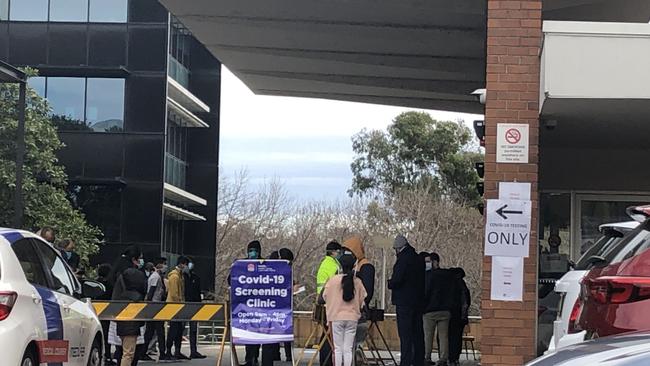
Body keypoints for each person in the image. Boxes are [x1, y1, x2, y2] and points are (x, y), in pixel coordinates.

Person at [320, 254, 367, 366]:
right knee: (348, 349)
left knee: (337, 349)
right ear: (354, 266)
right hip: (352, 318)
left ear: (340, 265)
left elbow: (324, 297)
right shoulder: (358, 282)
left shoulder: (333, 281)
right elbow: (363, 300)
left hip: (335, 318)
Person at [388, 235, 425, 366]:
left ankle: (406, 361)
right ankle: (418, 360)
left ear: (398, 248)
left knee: (405, 335)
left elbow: (397, 279)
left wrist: (390, 283)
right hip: (418, 302)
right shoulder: (418, 259)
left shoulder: (403, 260)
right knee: (417, 333)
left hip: (404, 302)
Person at [110, 246, 147, 366]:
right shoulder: (133, 274)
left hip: (119, 316)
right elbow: (143, 290)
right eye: (140, 258)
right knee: (129, 353)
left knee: (121, 351)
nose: (142, 261)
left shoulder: (119, 274)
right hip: (131, 317)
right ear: (134, 259)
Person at [345, 236, 375, 365]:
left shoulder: (366, 266)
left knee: (356, 341)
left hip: (359, 309)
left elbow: (368, 291)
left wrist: (362, 303)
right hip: (350, 308)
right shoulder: (354, 266)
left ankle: (357, 356)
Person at [423, 253, 453, 366]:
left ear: (434, 262)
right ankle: (443, 358)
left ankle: (427, 357)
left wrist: (423, 306)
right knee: (443, 336)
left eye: (429, 261)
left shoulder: (429, 276)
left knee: (428, 335)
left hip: (430, 310)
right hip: (445, 310)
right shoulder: (447, 276)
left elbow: (426, 292)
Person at [317, 241, 343, 366]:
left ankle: (324, 360)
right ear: (333, 252)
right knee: (329, 335)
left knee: (326, 335)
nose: (340, 254)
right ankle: (327, 361)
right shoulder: (332, 265)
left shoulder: (328, 263)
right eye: (339, 251)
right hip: (329, 303)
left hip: (324, 302)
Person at [142, 259, 169, 361]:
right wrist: (149, 305)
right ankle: (162, 353)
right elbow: (151, 292)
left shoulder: (156, 276)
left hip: (155, 306)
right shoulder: (155, 277)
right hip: (155, 306)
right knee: (159, 331)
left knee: (150, 331)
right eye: (164, 265)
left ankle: (144, 352)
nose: (165, 267)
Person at [166, 256, 191, 360]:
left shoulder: (180, 275)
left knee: (179, 331)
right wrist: (180, 304)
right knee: (173, 330)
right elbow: (174, 294)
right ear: (182, 264)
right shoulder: (174, 276)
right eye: (186, 264)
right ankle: (168, 352)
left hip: (179, 306)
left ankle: (177, 351)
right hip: (174, 306)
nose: (187, 267)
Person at [447, 268, 470, 366]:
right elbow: (466, 301)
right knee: (457, 338)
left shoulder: (448, 284)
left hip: (450, 314)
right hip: (459, 316)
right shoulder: (462, 284)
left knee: (448, 337)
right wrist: (464, 316)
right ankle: (455, 357)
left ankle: (449, 357)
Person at [184, 258, 206, 359]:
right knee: (179, 328)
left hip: (195, 305)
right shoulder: (182, 277)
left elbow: (198, 292)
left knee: (193, 330)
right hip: (184, 306)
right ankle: (176, 351)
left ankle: (194, 351)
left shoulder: (196, 278)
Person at [97, 263, 116, 365]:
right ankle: (107, 356)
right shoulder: (110, 284)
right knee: (106, 335)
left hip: (95, 312)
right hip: (107, 313)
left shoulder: (95, 283)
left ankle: (101, 355)